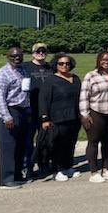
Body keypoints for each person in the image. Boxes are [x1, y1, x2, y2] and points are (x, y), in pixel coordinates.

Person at [79, 52, 108, 183]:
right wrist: (84, 114)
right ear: (98, 60)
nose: (106, 61)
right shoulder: (91, 76)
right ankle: (94, 172)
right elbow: (84, 95)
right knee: (93, 141)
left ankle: (106, 169)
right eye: (103, 59)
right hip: (97, 112)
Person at [38, 53, 82, 181]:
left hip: (74, 117)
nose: (64, 66)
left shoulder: (75, 78)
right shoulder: (51, 80)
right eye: (61, 63)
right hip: (57, 118)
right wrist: (45, 118)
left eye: (67, 63)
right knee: (57, 144)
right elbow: (43, 100)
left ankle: (68, 166)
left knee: (71, 143)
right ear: (56, 65)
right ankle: (57, 170)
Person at [0, 46, 31, 189]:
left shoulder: (22, 70)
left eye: (19, 55)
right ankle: (6, 180)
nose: (17, 58)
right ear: (7, 57)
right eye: (13, 56)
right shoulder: (2, 74)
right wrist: (6, 117)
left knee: (20, 144)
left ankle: (16, 175)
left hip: (23, 111)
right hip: (10, 111)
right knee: (8, 146)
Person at [21, 42, 53, 177]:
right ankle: (27, 165)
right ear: (33, 53)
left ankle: (43, 163)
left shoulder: (50, 67)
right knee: (27, 139)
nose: (41, 53)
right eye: (38, 51)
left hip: (46, 109)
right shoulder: (25, 66)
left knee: (45, 138)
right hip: (30, 108)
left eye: (43, 51)